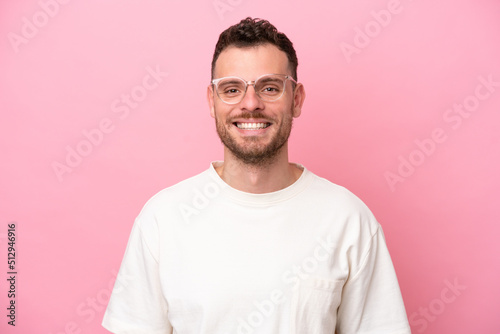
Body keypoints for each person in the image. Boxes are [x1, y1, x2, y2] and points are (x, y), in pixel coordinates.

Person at [102, 17, 411, 334]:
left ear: (297, 99)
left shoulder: (349, 220)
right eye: (232, 89)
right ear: (212, 101)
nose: (251, 104)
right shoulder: (162, 219)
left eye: (270, 88)